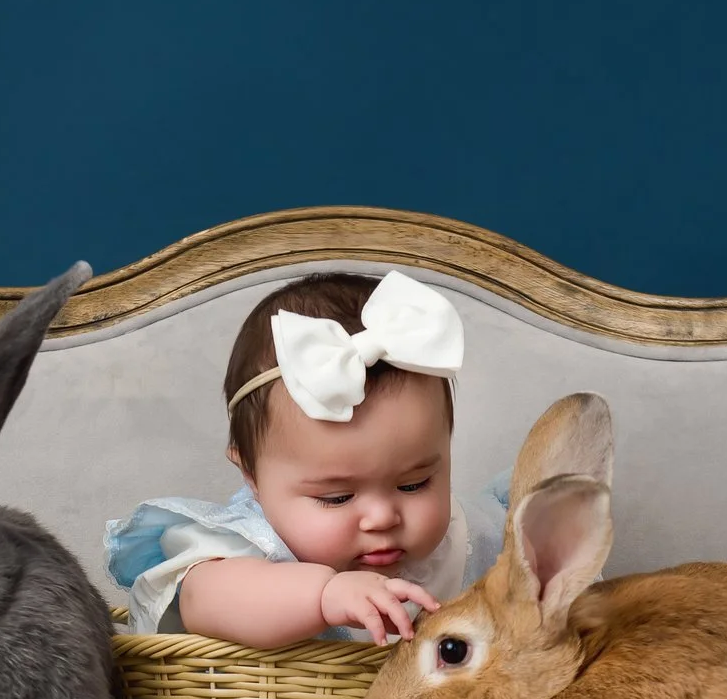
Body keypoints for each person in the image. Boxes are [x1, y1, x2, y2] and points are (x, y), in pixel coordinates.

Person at [105, 270, 505, 647]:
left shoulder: (466, 538)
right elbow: (200, 600)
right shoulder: (245, 546)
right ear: (251, 476)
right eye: (336, 498)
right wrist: (323, 595)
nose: (383, 517)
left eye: (414, 484)